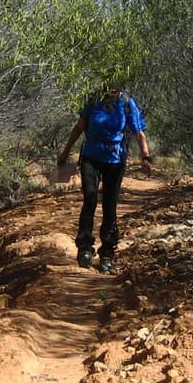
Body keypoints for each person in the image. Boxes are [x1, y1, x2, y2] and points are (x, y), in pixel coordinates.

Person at [56, 84, 153, 273]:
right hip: (91, 156)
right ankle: (84, 247)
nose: (113, 87)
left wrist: (146, 157)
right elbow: (79, 127)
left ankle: (107, 253)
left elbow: (139, 133)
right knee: (90, 198)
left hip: (115, 159)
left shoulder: (127, 104)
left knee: (110, 206)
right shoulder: (94, 101)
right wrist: (65, 152)